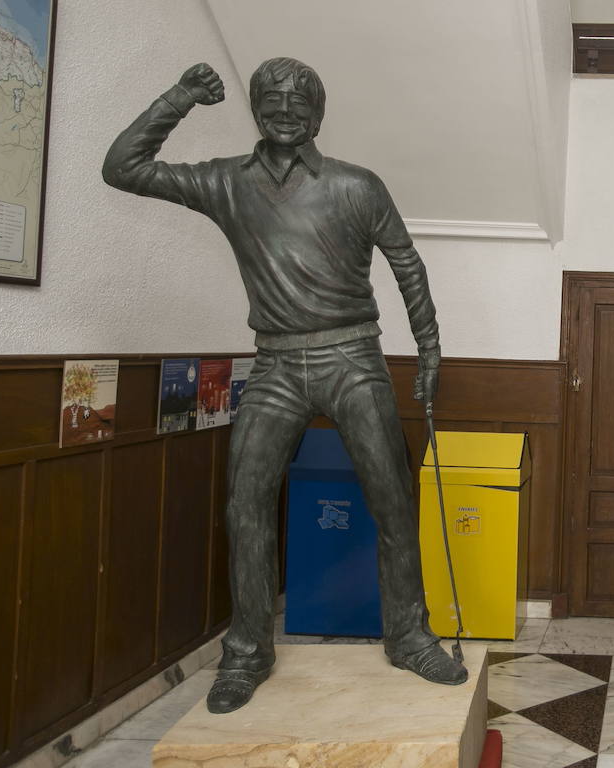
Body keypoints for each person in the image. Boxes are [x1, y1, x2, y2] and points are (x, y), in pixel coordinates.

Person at [102, 58, 467, 714]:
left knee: (391, 500)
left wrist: (432, 348)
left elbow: (406, 263)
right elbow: (122, 166)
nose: (288, 108)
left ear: (321, 113)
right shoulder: (225, 183)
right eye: (272, 97)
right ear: (254, 106)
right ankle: (247, 653)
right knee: (245, 503)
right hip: (274, 367)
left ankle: (408, 635)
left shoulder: (358, 186)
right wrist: (180, 97)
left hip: (354, 359)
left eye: (302, 99)